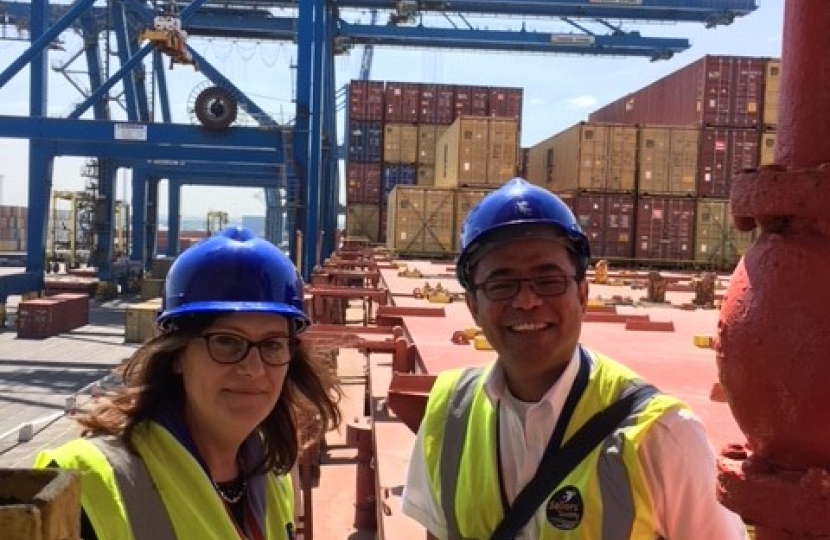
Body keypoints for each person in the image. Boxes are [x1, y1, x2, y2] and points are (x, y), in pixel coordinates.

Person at [401, 178, 748, 539]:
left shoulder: (662, 435)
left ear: (583, 294)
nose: (527, 301)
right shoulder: (448, 416)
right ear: (473, 306)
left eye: (548, 280)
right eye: (501, 284)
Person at [35, 226, 342, 540]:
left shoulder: (271, 473)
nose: (253, 368)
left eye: (273, 344)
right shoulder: (88, 484)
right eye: (226, 342)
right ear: (177, 354)